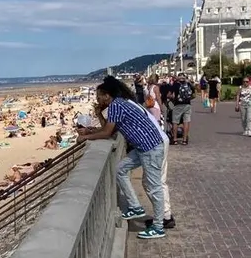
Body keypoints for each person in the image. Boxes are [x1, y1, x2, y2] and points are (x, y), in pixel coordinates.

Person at [77, 76, 167, 240]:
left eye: (98, 97)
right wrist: (98, 115)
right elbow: (108, 128)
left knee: (154, 187)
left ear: (106, 95)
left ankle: (159, 226)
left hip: (150, 149)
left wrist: (85, 137)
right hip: (144, 148)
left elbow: (106, 133)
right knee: (120, 169)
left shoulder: (116, 106)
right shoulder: (118, 104)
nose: (97, 100)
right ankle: (135, 206)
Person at [171, 73, 194, 145]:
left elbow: (169, 95)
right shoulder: (189, 84)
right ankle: (184, 140)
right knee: (186, 122)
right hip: (187, 104)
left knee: (175, 122)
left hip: (178, 105)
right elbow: (193, 94)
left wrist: (173, 99)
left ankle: (175, 140)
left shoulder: (175, 84)